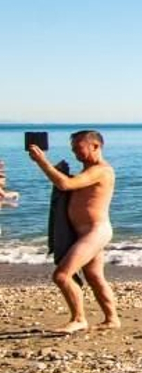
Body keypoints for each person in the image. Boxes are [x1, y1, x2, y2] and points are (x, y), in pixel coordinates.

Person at [25, 131, 119, 333]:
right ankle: (112, 319)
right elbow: (68, 186)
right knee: (94, 277)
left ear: (95, 146)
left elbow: (64, 184)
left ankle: (79, 319)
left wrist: (42, 161)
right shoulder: (87, 172)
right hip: (84, 232)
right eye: (73, 149)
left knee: (62, 276)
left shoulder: (101, 170)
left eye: (79, 147)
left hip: (95, 231)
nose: (75, 152)